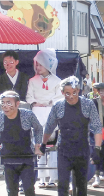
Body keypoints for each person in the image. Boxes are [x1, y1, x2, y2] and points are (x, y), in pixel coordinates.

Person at [41, 76, 102, 196]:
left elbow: (96, 127)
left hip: (82, 148)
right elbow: (49, 126)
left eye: (74, 92)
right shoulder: (58, 106)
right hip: (64, 149)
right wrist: (43, 143)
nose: (71, 96)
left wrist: (97, 149)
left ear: (78, 91)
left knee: (81, 184)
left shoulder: (88, 105)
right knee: (62, 184)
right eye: (67, 93)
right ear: (62, 93)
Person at [26, 49, 63, 188]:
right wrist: (35, 103)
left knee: (52, 146)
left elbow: (59, 97)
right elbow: (29, 97)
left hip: (51, 112)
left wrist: (49, 102)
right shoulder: (32, 81)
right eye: (36, 64)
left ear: (47, 65)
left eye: (40, 65)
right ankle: (41, 177)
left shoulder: (58, 81)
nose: (37, 67)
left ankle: (53, 176)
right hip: (36, 112)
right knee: (38, 144)